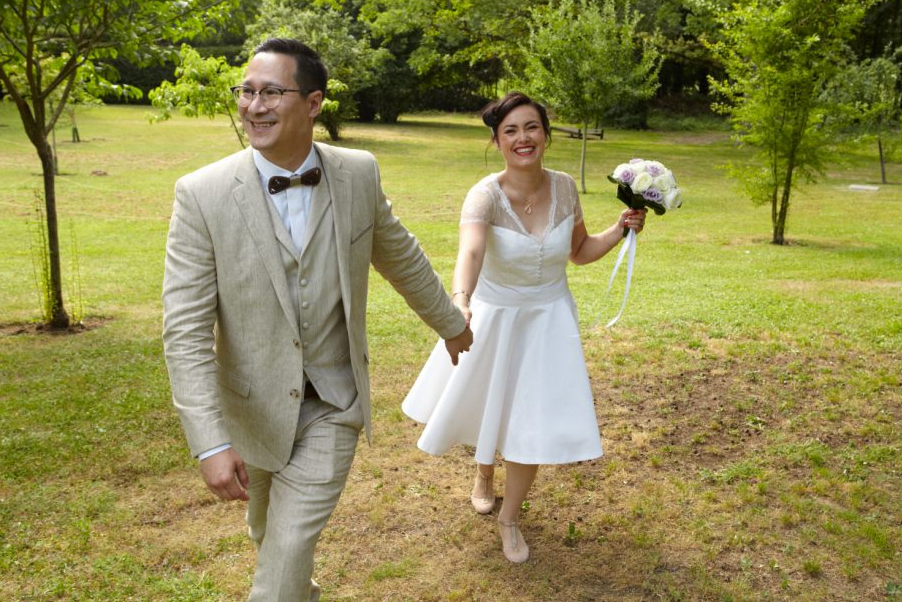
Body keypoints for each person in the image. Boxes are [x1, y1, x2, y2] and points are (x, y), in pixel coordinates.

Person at [162, 37, 473, 601]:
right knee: (268, 534)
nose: (255, 106)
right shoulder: (201, 195)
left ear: (313, 103)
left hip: (334, 401)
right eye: (247, 92)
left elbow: (398, 253)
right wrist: (208, 442)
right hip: (251, 408)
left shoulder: (358, 173)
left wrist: (451, 322)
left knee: (284, 551)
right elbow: (184, 331)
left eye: (272, 92)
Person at [402, 91, 645, 564]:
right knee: (495, 402)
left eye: (531, 127)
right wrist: (461, 302)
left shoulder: (565, 189)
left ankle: (509, 518)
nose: (522, 138)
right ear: (497, 141)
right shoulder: (485, 194)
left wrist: (620, 230)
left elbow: (578, 251)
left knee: (529, 419)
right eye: (510, 131)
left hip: (549, 320)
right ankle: (483, 474)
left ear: (546, 135)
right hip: (494, 316)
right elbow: (470, 252)